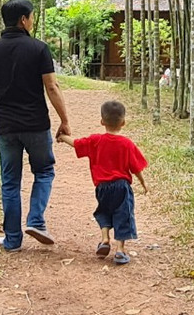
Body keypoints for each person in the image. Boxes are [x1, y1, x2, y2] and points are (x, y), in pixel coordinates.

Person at [0, 0, 72, 252]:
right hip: (36, 125)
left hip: (6, 127)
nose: (33, 20)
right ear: (23, 20)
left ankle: (13, 239)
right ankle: (36, 220)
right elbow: (51, 86)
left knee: (10, 181)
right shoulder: (39, 49)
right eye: (32, 16)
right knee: (45, 171)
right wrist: (64, 120)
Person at [56, 101, 148, 265]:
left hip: (102, 187)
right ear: (123, 123)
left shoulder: (96, 140)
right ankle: (120, 250)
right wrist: (143, 183)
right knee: (123, 214)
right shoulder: (127, 144)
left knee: (104, 211)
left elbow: (77, 143)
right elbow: (136, 168)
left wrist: (63, 137)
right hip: (121, 186)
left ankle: (105, 239)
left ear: (102, 121)